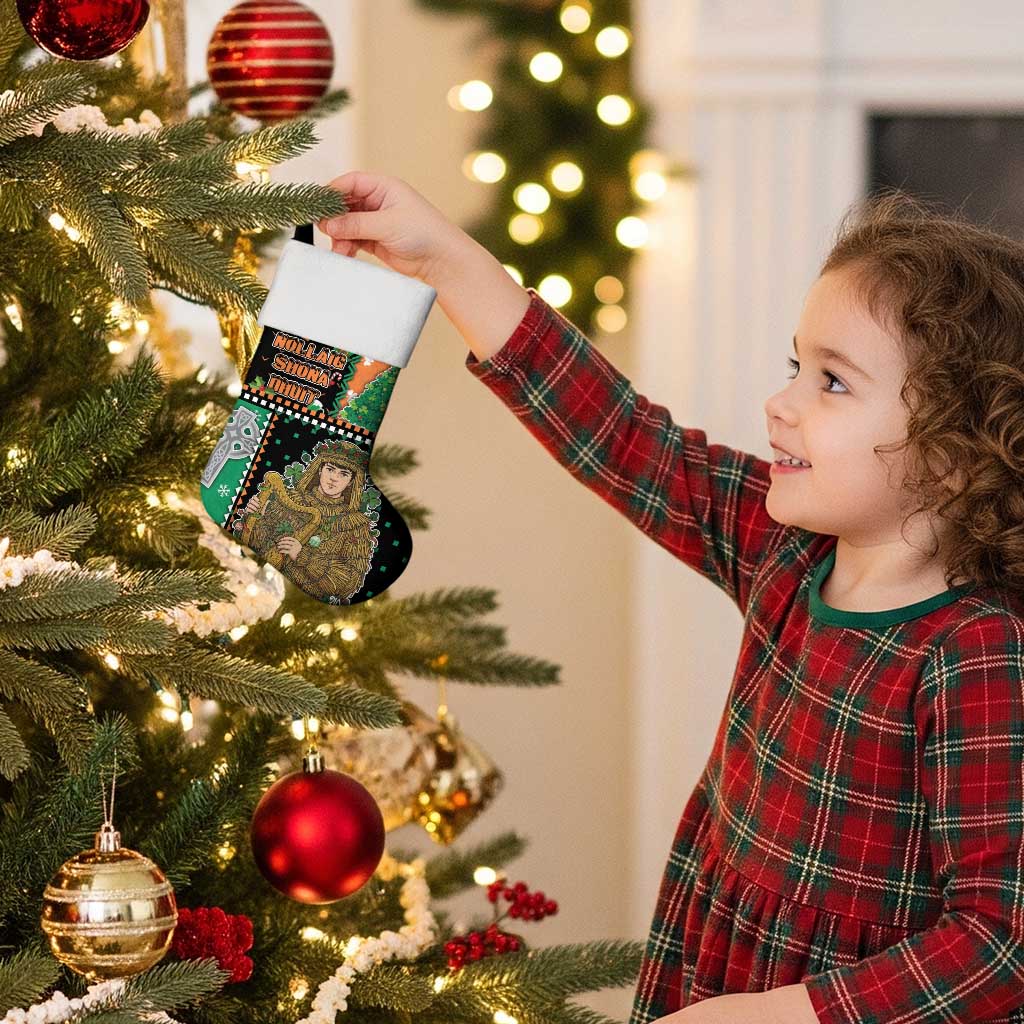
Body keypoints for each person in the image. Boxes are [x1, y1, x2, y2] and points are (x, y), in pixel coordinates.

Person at [317, 173, 1024, 1024]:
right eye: (797, 367)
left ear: (955, 454)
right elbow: (621, 435)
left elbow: (998, 942)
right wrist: (452, 262)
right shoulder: (786, 552)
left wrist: (778, 1016)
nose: (782, 403)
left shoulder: (978, 652)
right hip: (715, 964)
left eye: (832, 383)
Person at [239, 440, 375, 602]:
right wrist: (255, 517)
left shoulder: (356, 524)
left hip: (305, 603)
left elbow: (349, 583)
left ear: (351, 482)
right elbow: (259, 545)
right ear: (319, 470)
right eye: (330, 469)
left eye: (343, 474)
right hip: (253, 582)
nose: (334, 478)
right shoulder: (290, 499)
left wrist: (302, 555)